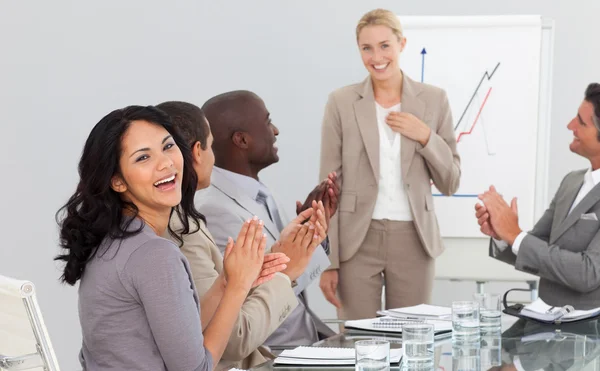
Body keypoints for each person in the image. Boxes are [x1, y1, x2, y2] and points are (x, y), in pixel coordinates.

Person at [54, 105, 278, 371]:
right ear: (117, 181)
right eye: (143, 158)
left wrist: (226, 281)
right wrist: (238, 287)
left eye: (168, 146)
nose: (166, 163)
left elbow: (182, 335)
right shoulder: (154, 254)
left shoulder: (113, 241)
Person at [156, 101, 326, 369]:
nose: (276, 130)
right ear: (198, 152)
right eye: (210, 146)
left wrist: (283, 254)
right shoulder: (187, 226)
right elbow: (233, 336)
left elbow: (232, 290)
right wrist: (284, 271)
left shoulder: (188, 219)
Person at [318, 8, 461, 320]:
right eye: (366, 48)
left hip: (414, 238)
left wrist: (425, 136)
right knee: (357, 344)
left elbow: (451, 181)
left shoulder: (434, 100)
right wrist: (330, 261)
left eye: (384, 45)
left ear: (402, 44)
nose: (376, 56)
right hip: (357, 240)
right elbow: (329, 190)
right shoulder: (341, 102)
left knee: (412, 344)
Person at [199, 90, 338, 346]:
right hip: (273, 351)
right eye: (267, 121)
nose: (274, 130)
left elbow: (287, 273)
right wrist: (301, 245)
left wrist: (312, 233)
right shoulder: (216, 211)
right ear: (241, 140)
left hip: (307, 339)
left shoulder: (257, 192)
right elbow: (256, 294)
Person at [476, 83, 600, 310]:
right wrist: (503, 234)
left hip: (588, 335)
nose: (570, 125)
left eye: (581, 122)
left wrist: (515, 234)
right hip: (545, 323)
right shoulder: (571, 181)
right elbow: (535, 247)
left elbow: (589, 272)